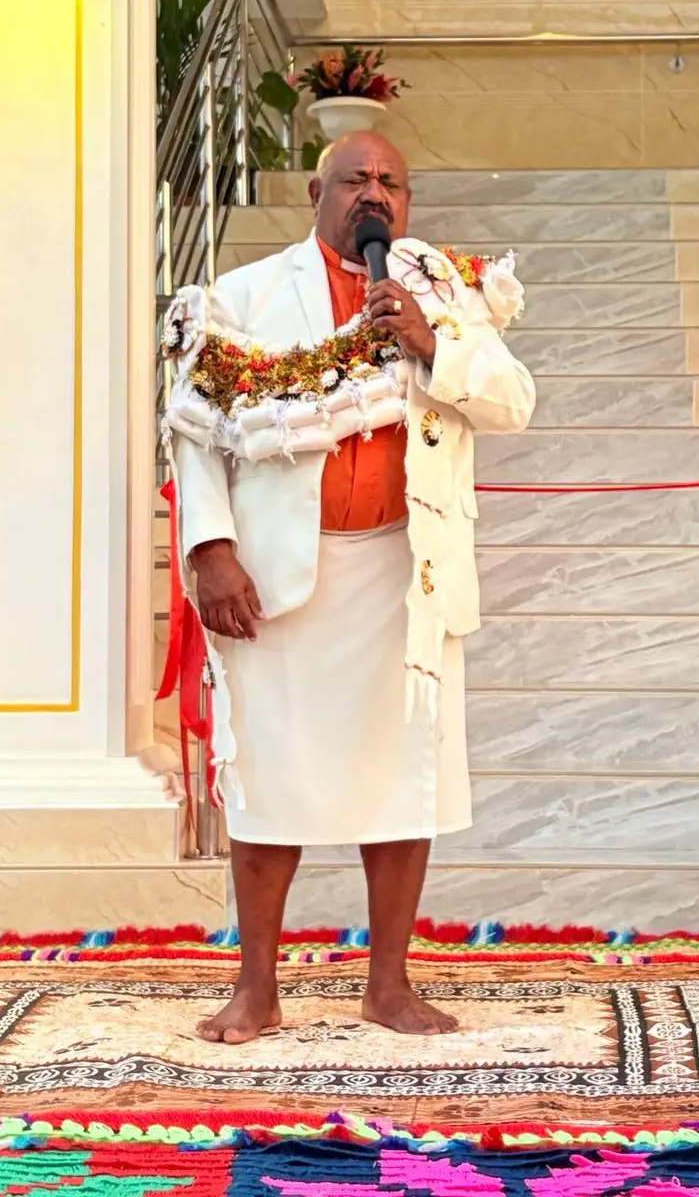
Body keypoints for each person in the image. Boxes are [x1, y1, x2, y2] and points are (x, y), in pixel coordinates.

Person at [165, 131, 535, 1041]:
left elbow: (512, 399)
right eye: (355, 180)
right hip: (281, 573)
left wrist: (428, 344)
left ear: (407, 200)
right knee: (266, 784)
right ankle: (257, 987)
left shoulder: (442, 295)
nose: (375, 195)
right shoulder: (245, 295)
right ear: (315, 191)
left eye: (391, 183)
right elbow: (194, 434)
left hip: (405, 573)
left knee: (403, 782)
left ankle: (390, 987)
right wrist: (210, 551)